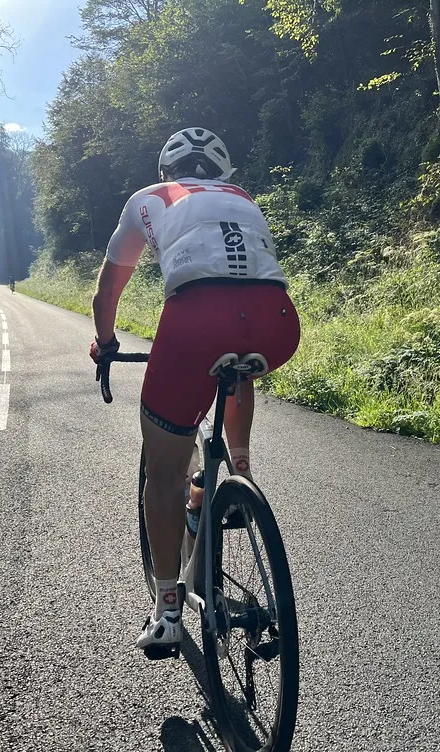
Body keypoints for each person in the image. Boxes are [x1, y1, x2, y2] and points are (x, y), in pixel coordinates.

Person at [88, 127, 300, 654]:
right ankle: (238, 472)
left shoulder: (148, 199)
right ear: (224, 176)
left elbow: (107, 290)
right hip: (276, 322)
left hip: (194, 323)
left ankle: (166, 612)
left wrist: (107, 343)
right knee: (237, 369)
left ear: (165, 171)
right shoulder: (243, 198)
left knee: (162, 472)